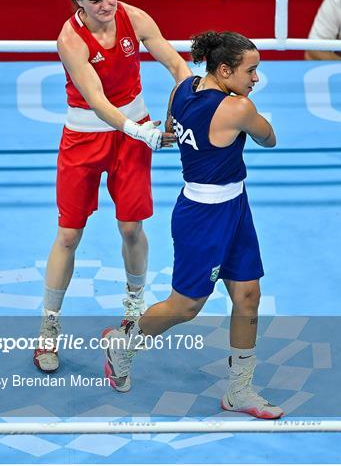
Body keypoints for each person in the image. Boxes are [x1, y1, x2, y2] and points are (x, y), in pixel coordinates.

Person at [103, 31, 284, 419]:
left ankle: (239, 390)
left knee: (248, 294)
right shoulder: (238, 109)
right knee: (185, 307)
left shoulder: (182, 88)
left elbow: (171, 129)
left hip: (235, 206)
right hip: (203, 218)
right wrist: (249, 110)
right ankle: (123, 342)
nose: (256, 79)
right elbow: (270, 139)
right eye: (251, 71)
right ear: (224, 69)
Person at [33, 0, 192, 373]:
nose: (107, 5)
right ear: (78, 2)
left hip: (133, 133)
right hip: (86, 137)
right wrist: (140, 132)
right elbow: (98, 100)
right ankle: (48, 331)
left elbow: (177, 65)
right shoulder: (70, 39)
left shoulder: (135, 18)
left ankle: (133, 312)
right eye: (96, 0)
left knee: (131, 228)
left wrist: (182, 101)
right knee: (68, 235)